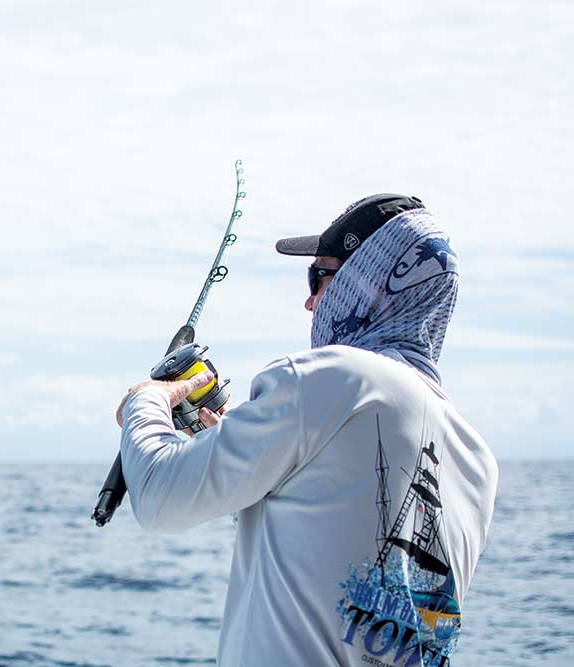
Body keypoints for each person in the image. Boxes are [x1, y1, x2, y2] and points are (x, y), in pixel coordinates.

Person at [114, 194, 498, 666]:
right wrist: (237, 452)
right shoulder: (477, 461)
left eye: (320, 277)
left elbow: (158, 497)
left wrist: (147, 400)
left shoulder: (330, 377)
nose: (310, 301)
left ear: (369, 282)